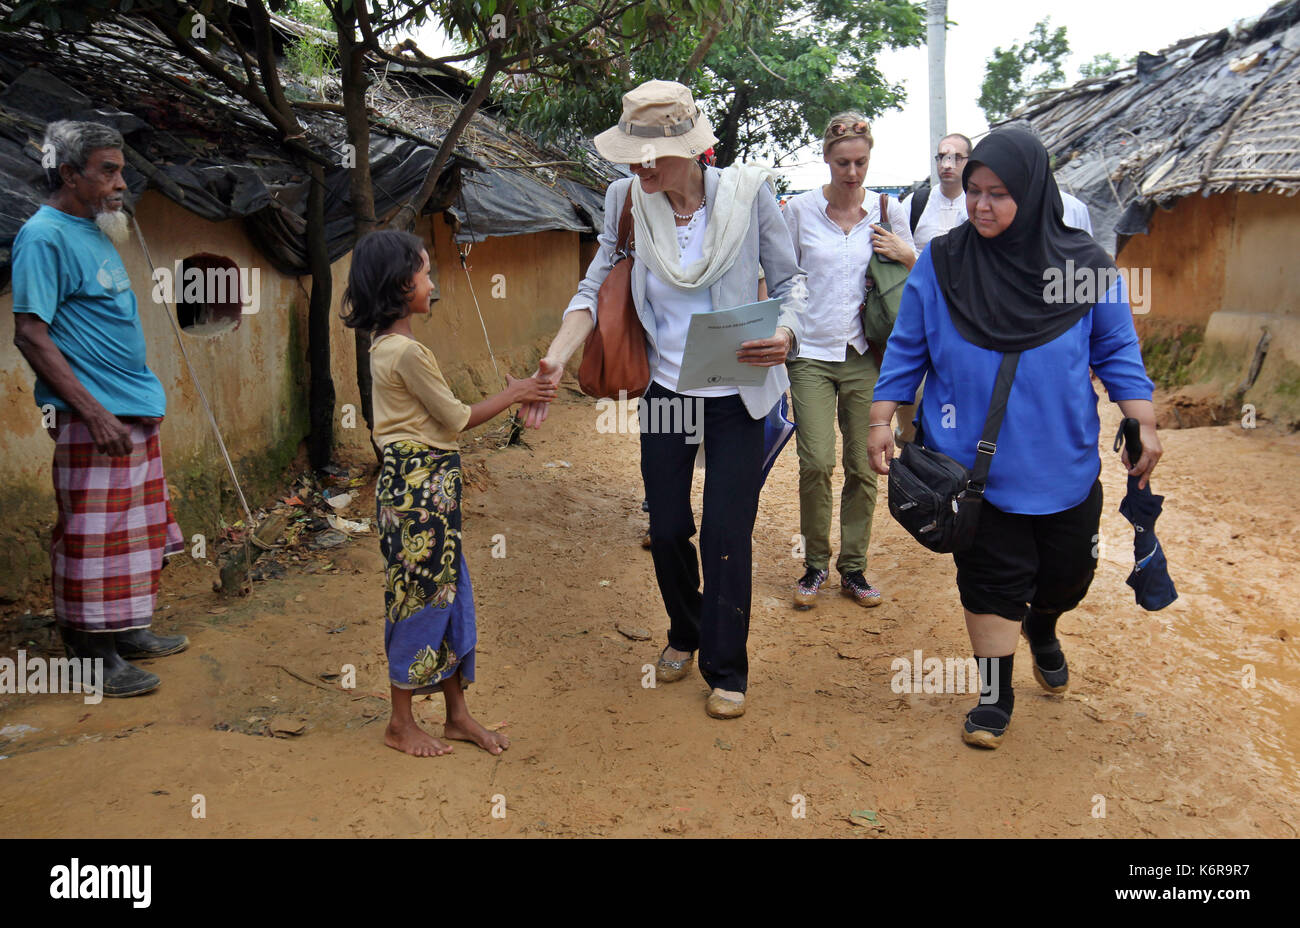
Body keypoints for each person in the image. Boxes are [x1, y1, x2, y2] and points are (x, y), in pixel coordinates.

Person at [519, 79, 806, 720]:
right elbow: (594, 287)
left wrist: (786, 331)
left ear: (694, 148)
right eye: (633, 153)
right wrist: (556, 357)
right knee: (670, 526)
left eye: (654, 155)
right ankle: (685, 627)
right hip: (669, 391)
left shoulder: (749, 195)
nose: (640, 166)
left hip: (739, 393)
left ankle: (727, 668)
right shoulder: (625, 199)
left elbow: (793, 282)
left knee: (727, 532)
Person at [867, 127, 1162, 750]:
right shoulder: (943, 264)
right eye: (973, 190)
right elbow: (907, 347)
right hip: (973, 470)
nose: (980, 205)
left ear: (1031, 193)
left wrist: (1145, 421)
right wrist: (879, 417)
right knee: (991, 581)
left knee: (1066, 576)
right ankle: (994, 696)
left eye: (998, 194)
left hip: (1065, 462)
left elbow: (1116, 351)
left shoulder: (1082, 268)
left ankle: (1046, 625)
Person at [341, 229, 557, 757]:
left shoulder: (388, 347)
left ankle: (457, 715)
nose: (432, 283)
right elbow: (457, 419)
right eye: (425, 272)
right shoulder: (407, 353)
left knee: (446, 592)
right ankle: (400, 722)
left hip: (425, 490)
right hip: (418, 491)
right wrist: (515, 392)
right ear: (400, 284)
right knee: (418, 598)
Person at [11, 120, 188, 698]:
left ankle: (125, 630)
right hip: (98, 417)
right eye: (107, 171)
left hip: (132, 407)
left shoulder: (94, 231)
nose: (120, 182)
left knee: (131, 535)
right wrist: (91, 411)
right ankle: (91, 656)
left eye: (121, 169)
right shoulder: (44, 237)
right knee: (93, 535)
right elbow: (31, 334)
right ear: (69, 174)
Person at [781, 113, 914, 610]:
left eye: (860, 162)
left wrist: (907, 254)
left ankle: (853, 570)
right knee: (816, 462)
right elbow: (777, 276)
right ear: (826, 159)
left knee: (864, 465)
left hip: (865, 355)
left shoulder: (888, 210)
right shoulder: (797, 211)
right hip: (810, 354)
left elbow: (920, 282)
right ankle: (814, 564)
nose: (852, 172)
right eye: (842, 162)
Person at [902, 133, 973, 251]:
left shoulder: (978, 206)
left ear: (970, 161)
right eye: (942, 157)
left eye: (956, 158)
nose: (947, 164)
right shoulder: (915, 203)